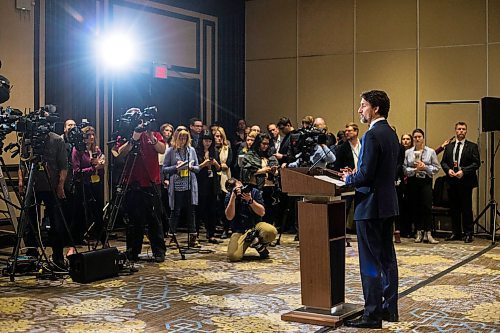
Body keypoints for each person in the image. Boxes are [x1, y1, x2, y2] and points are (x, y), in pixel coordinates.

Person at [342, 90, 399, 328]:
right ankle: (389, 310)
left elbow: (365, 176)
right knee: (387, 260)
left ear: (375, 108)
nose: (359, 110)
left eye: (363, 105)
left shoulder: (372, 135)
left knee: (369, 263)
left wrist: (348, 179)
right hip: (387, 204)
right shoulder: (392, 134)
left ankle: (372, 314)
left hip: (370, 207)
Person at [114, 108, 166, 263]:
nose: (141, 123)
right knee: (133, 220)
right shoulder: (124, 134)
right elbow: (119, 154)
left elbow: (162, 149)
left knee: (154, 219)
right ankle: (132, 251)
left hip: (152, 181)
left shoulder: (153, 133)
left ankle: (159, 251)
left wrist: (150, 135)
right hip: (132, 182)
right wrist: (134, 137)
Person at [18, 130, 69, 268]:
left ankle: (57, 256)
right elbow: (22, 163)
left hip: (51, 186)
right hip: (32, 186)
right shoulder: (28, 138)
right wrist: (21, 181)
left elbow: (63, 165)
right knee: (30, 222)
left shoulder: (57, 140)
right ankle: (31, 254)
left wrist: (60, 185)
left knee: (55, 222)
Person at [67, 126, 106, 256]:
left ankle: (104, 241)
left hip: (96, 184)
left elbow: (100, 167)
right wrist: (93, 168)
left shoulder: (96, 149)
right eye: (88, 135)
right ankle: (72, 242)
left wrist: (100, 165)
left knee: (98, 213)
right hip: (82, 186)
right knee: (78, 214)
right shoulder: (77, 150)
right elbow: (76, 172)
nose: (91, 137)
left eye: (93, 134)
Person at [441, 122, 480, 243]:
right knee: (454, 208)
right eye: (459, 129)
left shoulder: (472, 146)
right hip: (452, 181)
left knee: (466, 208)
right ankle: (456, 232)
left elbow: (476, 163)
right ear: (455, 130)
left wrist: (463, 171)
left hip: (466, 182)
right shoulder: (449, 147)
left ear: (466, 131)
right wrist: (448, 171)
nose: (461, 131)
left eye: (463, 129)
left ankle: (468, 233)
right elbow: (444, 162)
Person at [224, 178, 277, 261]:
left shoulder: (254, 192)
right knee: (233, 256)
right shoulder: (229, 196)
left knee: (271, 231)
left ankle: (258, 243)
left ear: (240, 183)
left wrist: (250, 200)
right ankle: (256, 243)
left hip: (256, 226)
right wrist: (233, 198)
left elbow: (262, 212)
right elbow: (229, 217)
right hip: (239, 231)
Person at [163, 129, 201, 247]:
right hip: (177, 184)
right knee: (176, 211)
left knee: (191, 211)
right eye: (181, 138)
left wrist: (191, 167)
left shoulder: (191, 150)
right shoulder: (171, 151)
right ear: (176, 138)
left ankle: (193, 236)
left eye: (185, 138)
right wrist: (176, 167)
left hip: (189, 183)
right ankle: (171, 235)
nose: (183, 141)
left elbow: (198, 167)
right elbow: (164, 169)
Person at [403, 129, 440, 244]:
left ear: (423, 138)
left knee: (427, 206)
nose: (417, 139)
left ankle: (428, 233)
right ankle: (419, 232)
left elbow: (436, 168)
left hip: (426, 181)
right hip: (413, 181)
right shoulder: (408, 152)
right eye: (415, 137)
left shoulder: (431, 152)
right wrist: (415, 169)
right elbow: (404, 169)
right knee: (416, 206)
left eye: (419, 137)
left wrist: (425, 168)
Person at [195, 130, 221, 244]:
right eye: (206, 140)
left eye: (210, 140)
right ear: (202, 140)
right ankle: (194, 234)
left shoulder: (214, 151)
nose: (208, 143)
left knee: (212, 210)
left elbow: (219, 168)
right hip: (201, 183)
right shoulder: (197, 151)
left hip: (212, 183)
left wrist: (215, 163)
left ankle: (211, 234)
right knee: (200, 209)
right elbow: (195, 168)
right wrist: (204, 164)